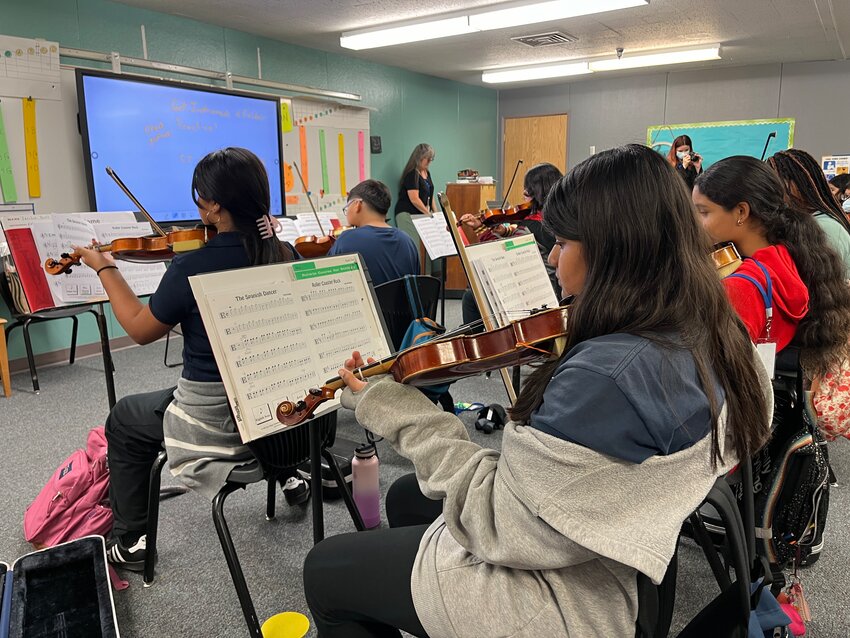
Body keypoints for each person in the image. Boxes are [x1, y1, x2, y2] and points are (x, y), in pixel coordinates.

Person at [302, 144, 773, 638]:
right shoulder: (708, 323)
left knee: (326, 570)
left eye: (563, 243)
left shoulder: (604, 378)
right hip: (620, 531)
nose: (550, 257)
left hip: (569, 594)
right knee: (404, 494)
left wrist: (400, 411)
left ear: (615, 250)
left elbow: (497, 521)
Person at [74, 147, 305, 571]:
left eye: (201, 196)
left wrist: (106, 268)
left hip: (220, 418)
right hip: (281, 411)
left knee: (125, 417)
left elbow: (141, 330)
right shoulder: (283, 253)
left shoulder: (191, 267)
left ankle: (132, 540)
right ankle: (287, 471)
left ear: (215, 204)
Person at [694, 156, 850, 379]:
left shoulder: (741, 287)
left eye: (703, 212)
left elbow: (715, 375)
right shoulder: (787, 255)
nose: (695, 222)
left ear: (741, 212)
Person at [459, 163, 562, 327]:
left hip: (535, 292)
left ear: (538, 191)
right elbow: (524, 235)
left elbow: (497, 250)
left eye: (528, 189)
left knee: (471, 297)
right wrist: (503, 231)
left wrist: (481, 227)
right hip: (558, 288)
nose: (524, 193)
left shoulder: (530, 226)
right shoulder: (558, 219)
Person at [767, 149, 850, 275]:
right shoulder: (799, 223)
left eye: (777, 184)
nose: (774, 193)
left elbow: (823, 288)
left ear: (799, 185)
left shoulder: (825, 227)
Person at [328, 179, 419, 286]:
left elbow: (330, 280)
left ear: (357, 204)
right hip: (399, 303)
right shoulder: (407, 240)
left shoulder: (347, 239)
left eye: (347, 207)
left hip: (367, 303)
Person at [395, 144, 436, 219]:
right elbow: (414, 199)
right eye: (427, 158)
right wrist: (428, 214)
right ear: (419, 158)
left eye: (431, 159)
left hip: (421, 213)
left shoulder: (427, 173)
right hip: (407, 214)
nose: (429, 161)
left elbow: (431, 194)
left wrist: (436, 214)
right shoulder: (412, 174)